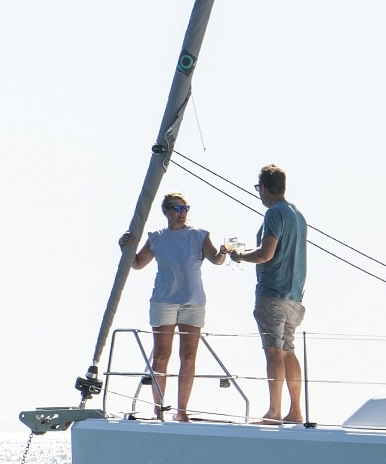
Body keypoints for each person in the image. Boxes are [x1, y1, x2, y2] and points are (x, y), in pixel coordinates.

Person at [118, 192, 225, 421]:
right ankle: (159, 410)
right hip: (164, 301)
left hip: (193, 302)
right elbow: (137, 263)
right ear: (166, 211)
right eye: (177, 208)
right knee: (161, 356)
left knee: (188, 356)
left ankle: (182, 411)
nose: (182, 213)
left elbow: (217, 259)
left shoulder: (199, 235)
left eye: (185, 208)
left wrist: (225, 251)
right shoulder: (157, 237)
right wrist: (124, 247)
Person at [226, 163, 307, 424]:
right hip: (294, 296)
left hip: (272, 292)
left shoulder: (274, 213)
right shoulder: (298, 215)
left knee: (273, 351)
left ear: (264, 188)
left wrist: (239, 255)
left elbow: (265, 253)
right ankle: (295, 411)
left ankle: (274, 412)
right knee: (288, 350)